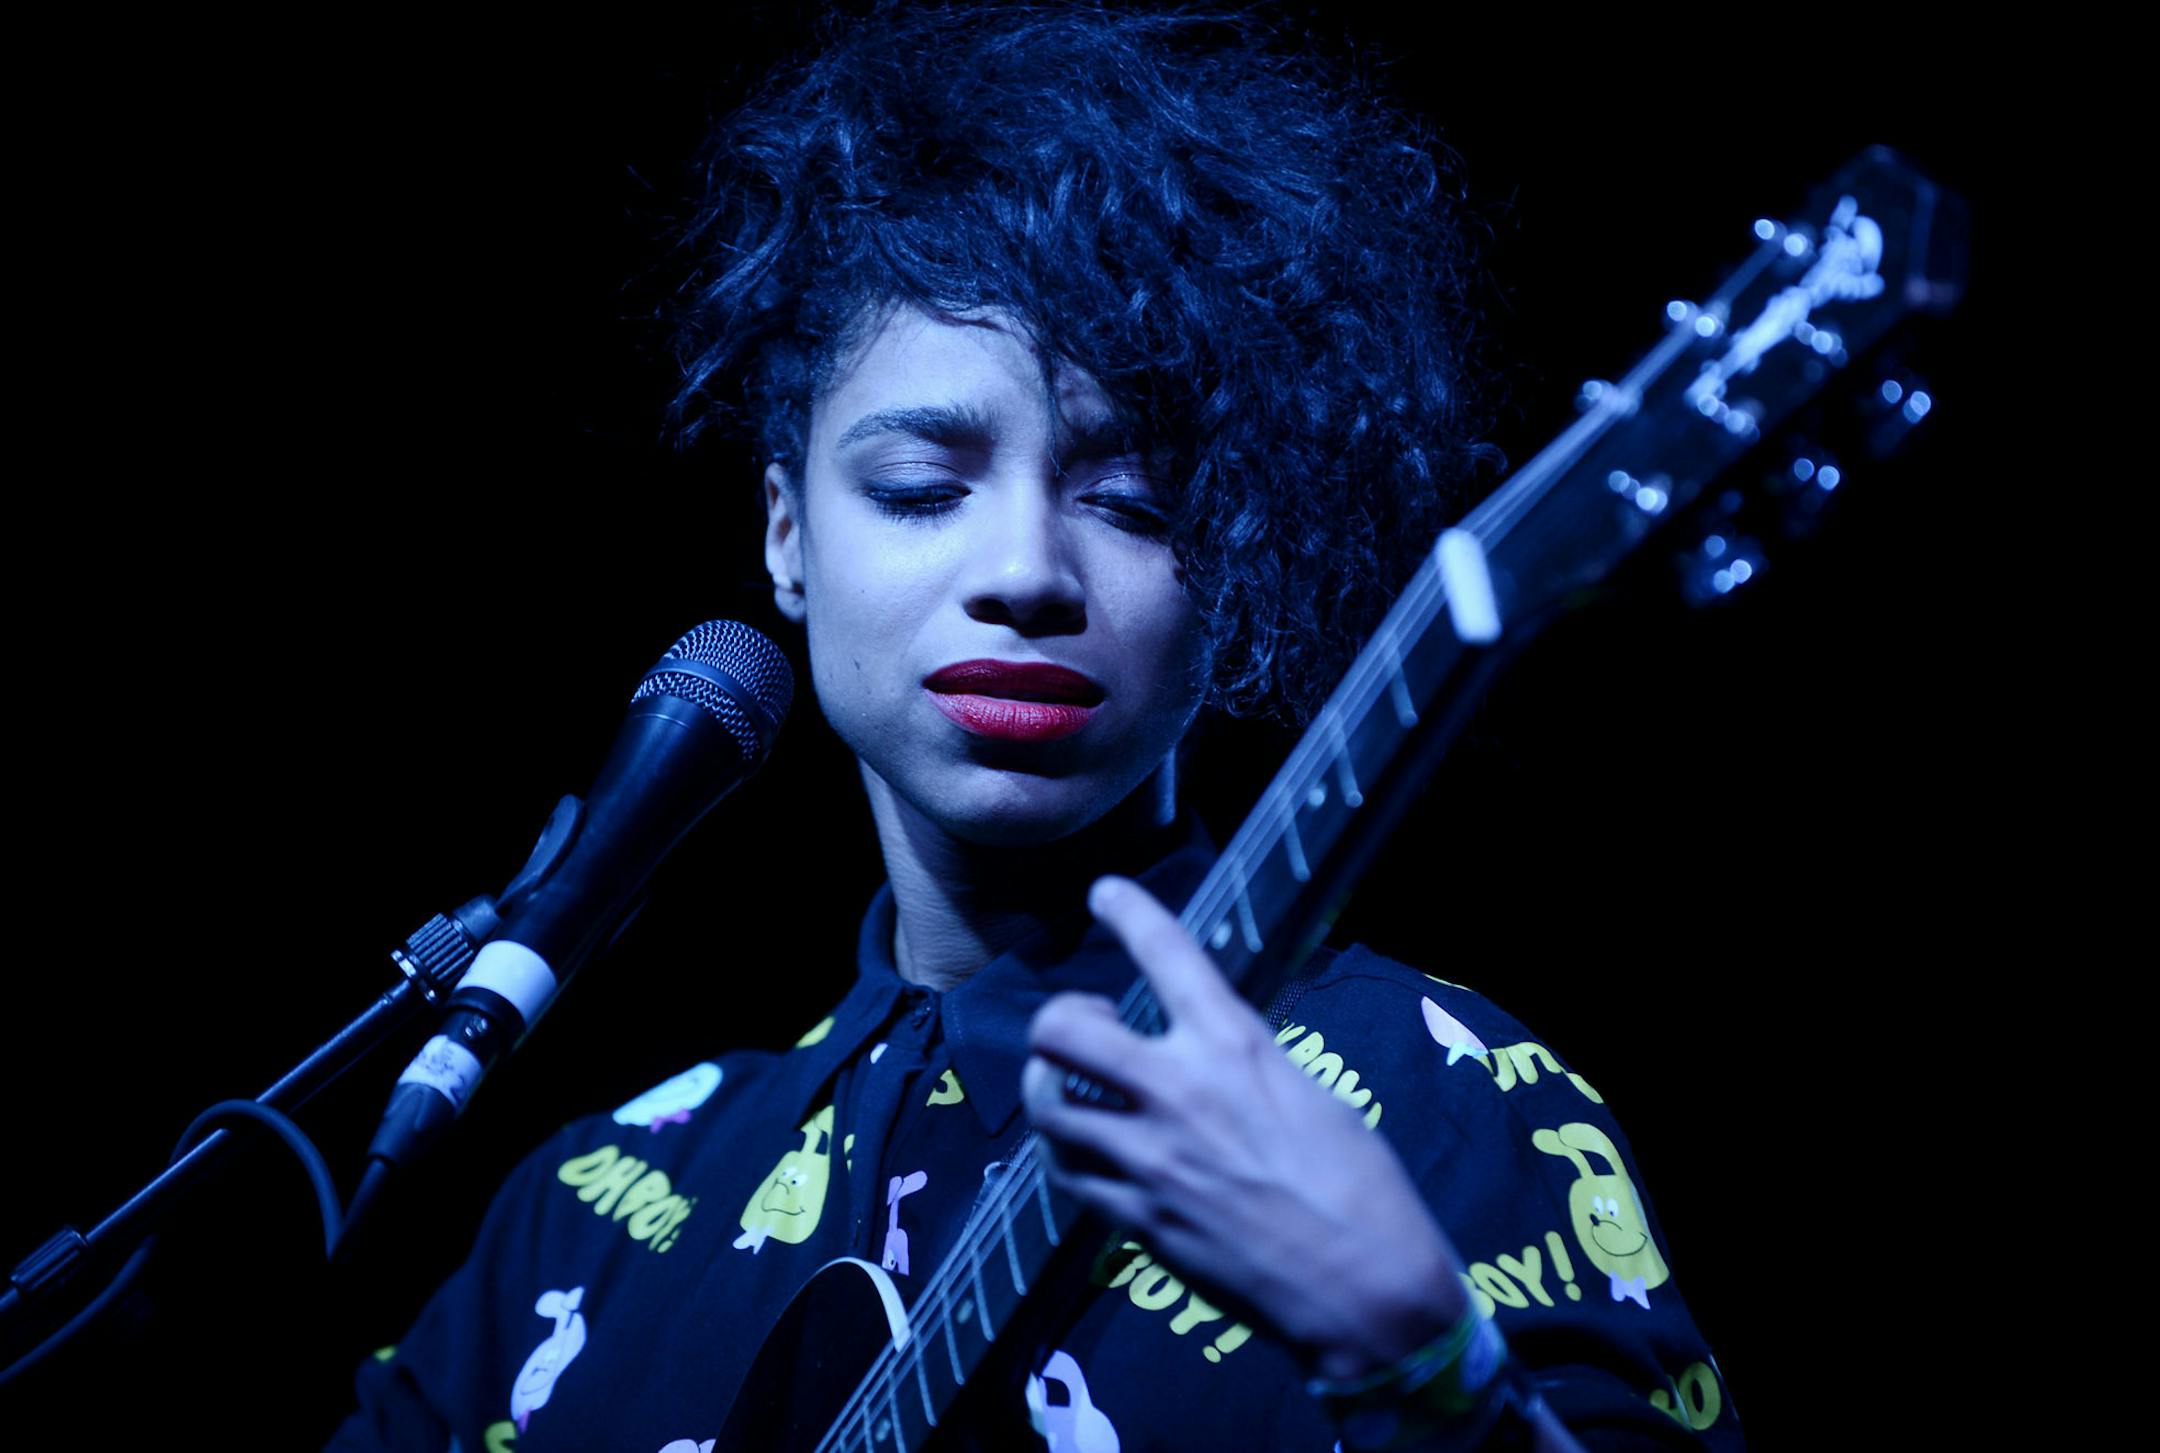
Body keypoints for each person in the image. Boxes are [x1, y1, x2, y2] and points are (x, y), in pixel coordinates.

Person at [331, 6, 1739, 1449]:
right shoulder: (587, 1224)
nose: (1027, 571)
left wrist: (1414, 1352)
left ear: (1235, 554)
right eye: (923, 487)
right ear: (786, 532)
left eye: (1132, 501)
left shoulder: (1432, 1091)